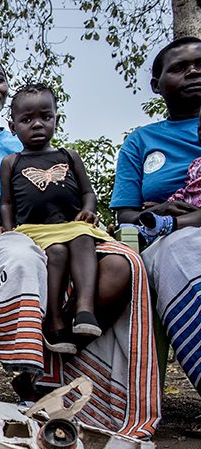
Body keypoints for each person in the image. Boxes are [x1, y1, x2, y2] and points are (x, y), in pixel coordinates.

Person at [0, 53, 159, 440]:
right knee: (23, 254)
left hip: (60, 237)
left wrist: (86, 215)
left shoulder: (33, 137)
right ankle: (30, 376)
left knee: (123, 264)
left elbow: (71, 192)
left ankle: (63, 348)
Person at [113, 37, 201, 398]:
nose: (193, 71)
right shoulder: (142, 141)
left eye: (199, 64)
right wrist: (162, 210)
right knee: (183, 249)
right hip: (167, 240)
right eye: (179, 67)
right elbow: (125, 215)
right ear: (157, 84)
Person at [0, 83, 112, 354]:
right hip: (35, 230)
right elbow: (6, 202)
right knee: (57, 253)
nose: (37, 125)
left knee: (83, 236)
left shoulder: (69, 156)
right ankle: (55, 320)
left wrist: (88, 210)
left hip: (70, 225)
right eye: (26, 120)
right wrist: (8, 229)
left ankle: (85, 309)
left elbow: (87, 192)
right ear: (13, 126)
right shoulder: (11, 162)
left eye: (45, 117)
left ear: (56, 120)